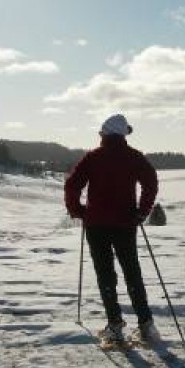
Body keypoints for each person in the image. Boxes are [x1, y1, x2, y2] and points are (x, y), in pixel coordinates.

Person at [64, 114, 159, 343]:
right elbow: (151, 182)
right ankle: (146, 324)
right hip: (125, 223)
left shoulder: (93, 157)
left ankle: (115, 325)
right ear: (123, 134)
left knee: (105, 274)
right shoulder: (134, 157)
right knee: (132, 272)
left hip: (96, 224)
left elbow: (72, 185)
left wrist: (78, 211)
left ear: (105, 133)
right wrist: (141, 211)